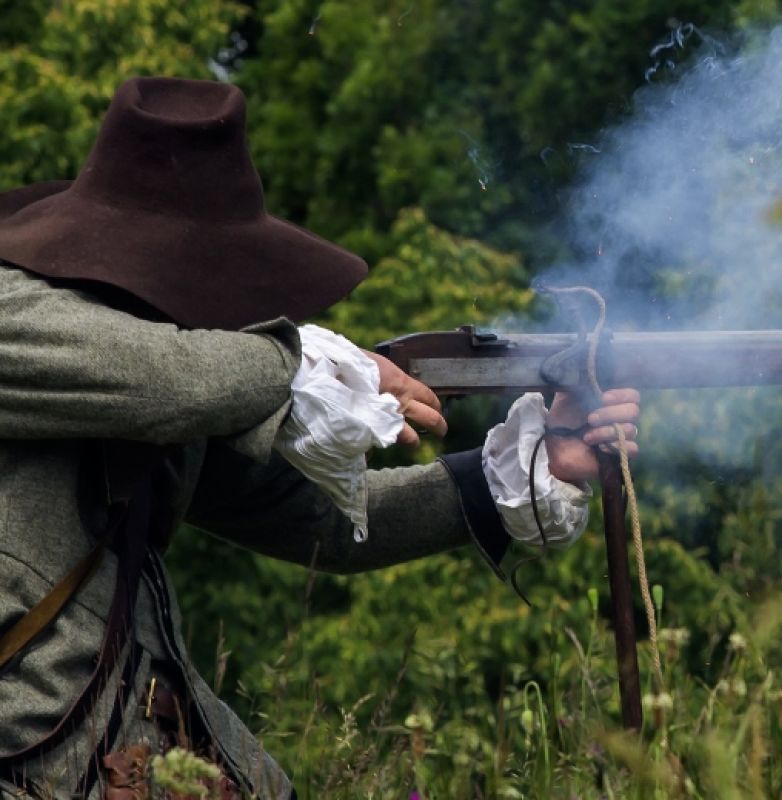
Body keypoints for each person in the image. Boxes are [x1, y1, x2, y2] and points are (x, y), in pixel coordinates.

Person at [0, 77, 640, 799]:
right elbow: (185, 382)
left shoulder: (162, 383)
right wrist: (306, 359)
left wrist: (505, 479)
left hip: (115, 752)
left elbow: (319, 525)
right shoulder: (15, 316)